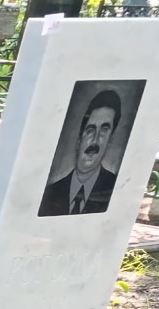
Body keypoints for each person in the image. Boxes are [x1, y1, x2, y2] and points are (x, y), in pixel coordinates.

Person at [39, 88, 122, 216]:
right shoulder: (50, 192)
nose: (95, 139)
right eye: (90, 130)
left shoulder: (117, 188)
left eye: (104, 130)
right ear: (79, 138)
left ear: (110, 139)